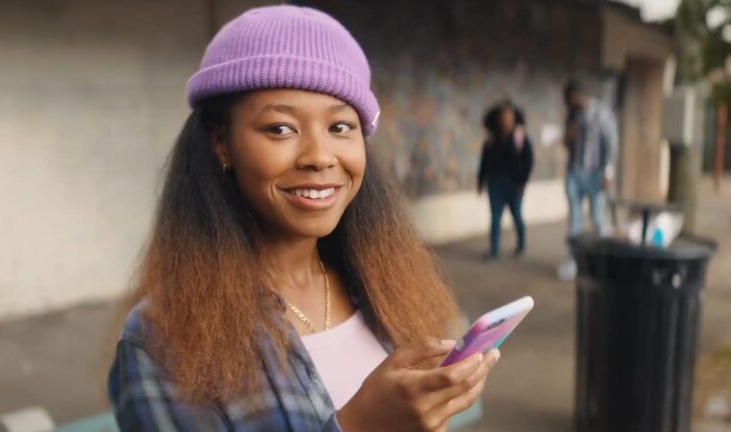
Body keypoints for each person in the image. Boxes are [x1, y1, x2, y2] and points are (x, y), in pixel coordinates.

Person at [107, 5, 500, 431]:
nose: (318, 157)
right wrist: (359, 425)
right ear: (221, 142)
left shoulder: (385, 288)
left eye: (340, 127)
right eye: (281, 129)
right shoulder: (162, 338)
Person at [557, 80, 619, 280]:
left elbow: (611, 144)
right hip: (574, 172)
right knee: (574, 219)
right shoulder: (573, 116)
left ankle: (602, 262)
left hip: (595, 173)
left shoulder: (601, 113)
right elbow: (567, 144)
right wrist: (569, 135)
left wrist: (608, 173)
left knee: (598, 218)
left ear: (579, 95)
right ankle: (574, 261)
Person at [478, 101, 534, 260]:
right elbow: (484, 162)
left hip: (514, 184)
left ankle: (521, 245)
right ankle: (494, 250)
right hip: (495, 184)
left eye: (509, 117)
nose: (506, 120)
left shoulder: (520, 138)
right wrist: (481, 181)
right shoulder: (492, 140)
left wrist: (523, 182)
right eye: (503, 117)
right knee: (495, 217)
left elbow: (528, 161)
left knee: (517, 216)